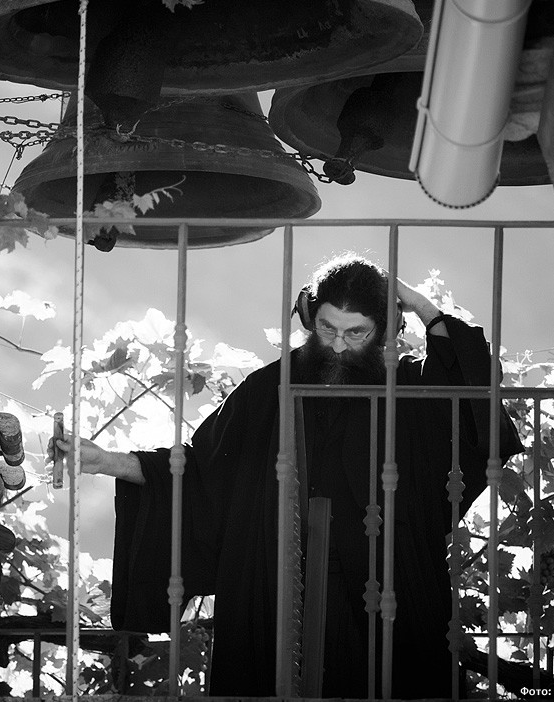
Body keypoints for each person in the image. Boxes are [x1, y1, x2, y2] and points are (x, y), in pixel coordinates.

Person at [60, 254, 524, 698]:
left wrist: (420, 305)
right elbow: (202, 473)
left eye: (357, 332)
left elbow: (475, 397)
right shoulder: (268, 388)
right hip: (274, 590)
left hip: (390, 588)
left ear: (384, 331)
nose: (339, 344)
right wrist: (107, 461)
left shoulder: (408, 389)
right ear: (308, 317)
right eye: (327, 327)